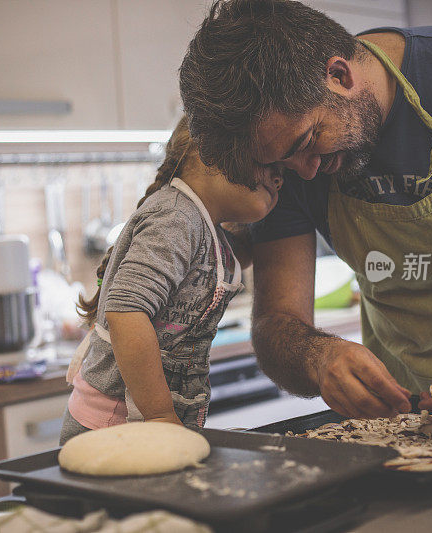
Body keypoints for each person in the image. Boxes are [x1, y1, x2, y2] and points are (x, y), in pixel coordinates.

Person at [179, 0, 432, 418]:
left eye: (307, 143)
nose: (304, 173)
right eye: (282, 164)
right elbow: (276, 324)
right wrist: (317, 357)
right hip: (403, 418)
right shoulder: (284, 155)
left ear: (339, 75)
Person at [59, 117, 282, 444]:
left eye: (284, 173)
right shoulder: (176, 218)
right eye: (268, 161)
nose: (279, 177)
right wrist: (160, 416)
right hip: (115, 427)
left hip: (140, 425)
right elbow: (126, 311)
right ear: (210, 150)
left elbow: (235, 257)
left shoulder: (204, 226)